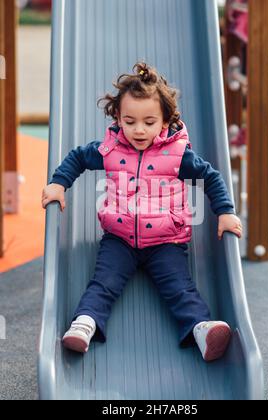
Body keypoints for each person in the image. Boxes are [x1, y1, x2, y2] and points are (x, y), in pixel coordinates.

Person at [42, 62, 243, 362]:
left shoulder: (177, 155)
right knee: (104, 282)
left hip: (166, 241)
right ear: (118, 118)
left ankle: (202, 329)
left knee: (179, 287)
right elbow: (78, 158)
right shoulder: (110, 150)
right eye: (129, 121)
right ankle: (84, 323)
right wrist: (59, 184)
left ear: (165, 121)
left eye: (149, 122)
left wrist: (225, 211)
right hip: (119, 238)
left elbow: (210, 177)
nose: (138, 129)